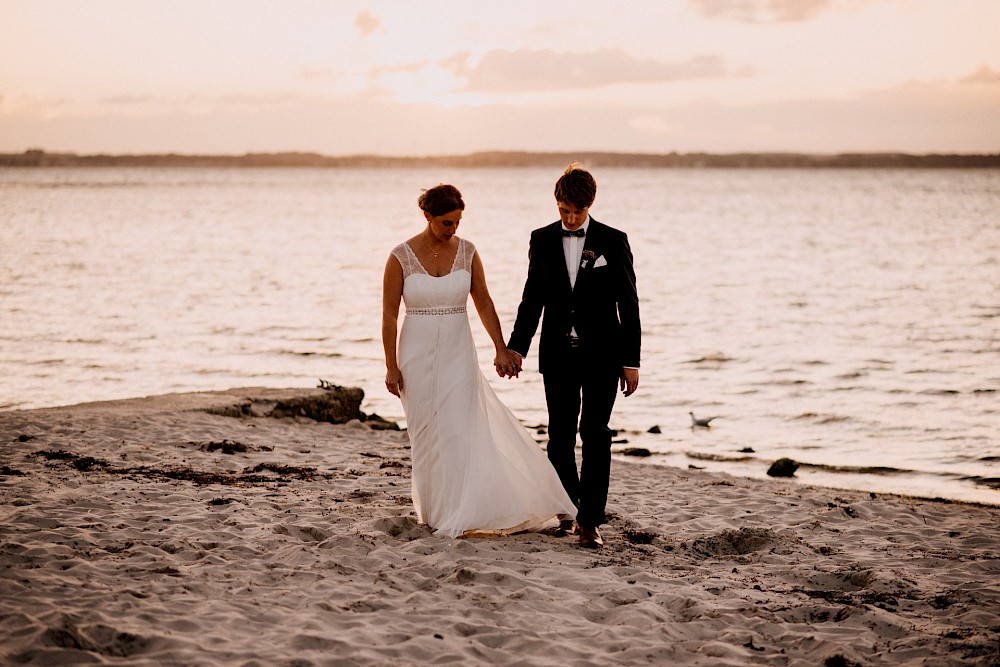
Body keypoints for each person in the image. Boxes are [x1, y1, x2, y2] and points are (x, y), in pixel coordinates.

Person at [382, 183, 577, 538]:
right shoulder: (400, 256)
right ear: (427, 217)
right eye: (445, 223)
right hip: (415, 354)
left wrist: (502, 349)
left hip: (459, 352)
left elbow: (484, 303)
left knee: (458, 428)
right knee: (424, 435)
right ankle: (434, 511)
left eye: (457, 221)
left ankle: (463, 508)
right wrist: (390, 365)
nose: (452, 229)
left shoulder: (468, 252)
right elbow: (389, 316)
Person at [506, 163, 641, 549]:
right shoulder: (541, 239)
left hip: (604, 355)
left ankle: (590, 522)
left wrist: (631, 362)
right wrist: (517, 347)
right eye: (564, 210)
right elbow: (532, 299)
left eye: (576, 213)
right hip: (557, 353)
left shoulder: (613, 241)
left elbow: (628, 303)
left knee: (595, 434)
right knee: (559, 437)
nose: (568, 218)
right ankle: (567, 507)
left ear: (589, 205)